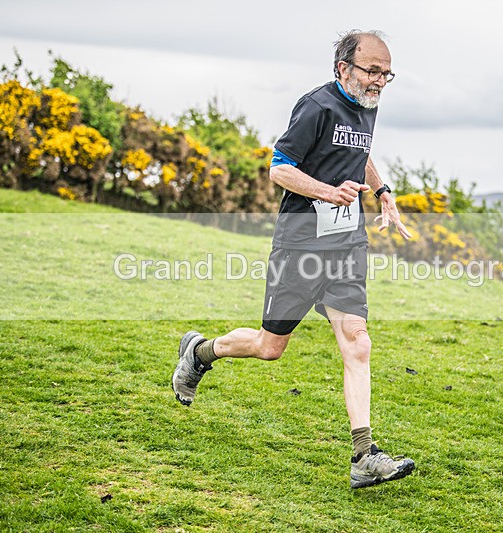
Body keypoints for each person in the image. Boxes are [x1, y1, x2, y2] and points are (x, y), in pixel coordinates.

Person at [172, 30, 415, 489]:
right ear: (343, 68)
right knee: (270, 346)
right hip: (300, 246)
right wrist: (328, 191)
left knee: (357, 340)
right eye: (372, 71)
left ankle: (364, 454)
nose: (380, 81)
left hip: (345, 245)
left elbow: (358, 154)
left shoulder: (368, 105)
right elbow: (279, 167)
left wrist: (382, 192)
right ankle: (199, 352)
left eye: (387, 73)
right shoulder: (316, 106)